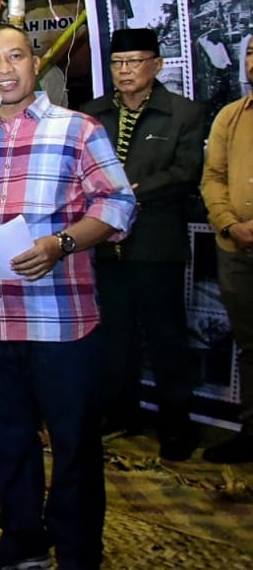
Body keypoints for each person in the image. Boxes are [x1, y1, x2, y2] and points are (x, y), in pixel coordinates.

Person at [0, 24, 135, 570]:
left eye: (15, 56)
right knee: (6, 440)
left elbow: (117, 205)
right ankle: (22, 535)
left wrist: (61, 243)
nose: (5, 69)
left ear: (35, 62)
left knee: (73, 446)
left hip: (62, 324)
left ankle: (76, 551)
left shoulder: (78, 130)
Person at [80, 27, 203, 460]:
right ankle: (120, 411)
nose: (125, 71)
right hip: (104, 245)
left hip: (155, 245)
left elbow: (187, 173)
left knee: (165, 336)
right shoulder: (92, 115)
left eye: (134, 62)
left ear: (156, 64)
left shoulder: (182, 113)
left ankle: (176, 424)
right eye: (118, 63)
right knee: (113, 335)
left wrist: (134, 192)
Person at [200, 34, 253, 463]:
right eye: (251, 53)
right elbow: (213, 176)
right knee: (249, 343)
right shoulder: (231, 117)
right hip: (237, 249)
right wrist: (230, 224)